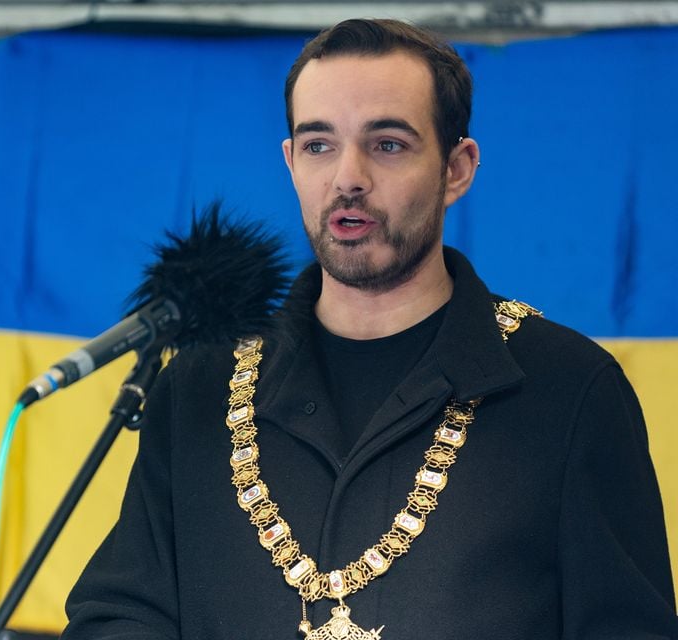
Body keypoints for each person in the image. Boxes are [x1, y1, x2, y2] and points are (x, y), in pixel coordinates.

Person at [60, 18, 677, 639]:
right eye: (319, 144)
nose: (347, 177)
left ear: (457, 169)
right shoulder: (197, 386)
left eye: (387, 144)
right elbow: (117, 617)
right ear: (291, 161)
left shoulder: (570, 390)